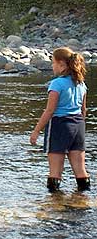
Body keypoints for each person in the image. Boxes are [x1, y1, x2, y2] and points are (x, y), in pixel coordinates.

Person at [30, 47, 90, 192]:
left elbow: (50, 110)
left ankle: (55, 206)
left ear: (62, 64)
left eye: (53, 63)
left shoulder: (57, 84)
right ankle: (84, 201)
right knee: (80, 169)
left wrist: (36, 131)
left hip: (59, 125)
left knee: (55, 171)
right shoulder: (81, 83)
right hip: (78, 126)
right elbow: (83, 110)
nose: (52, 66)